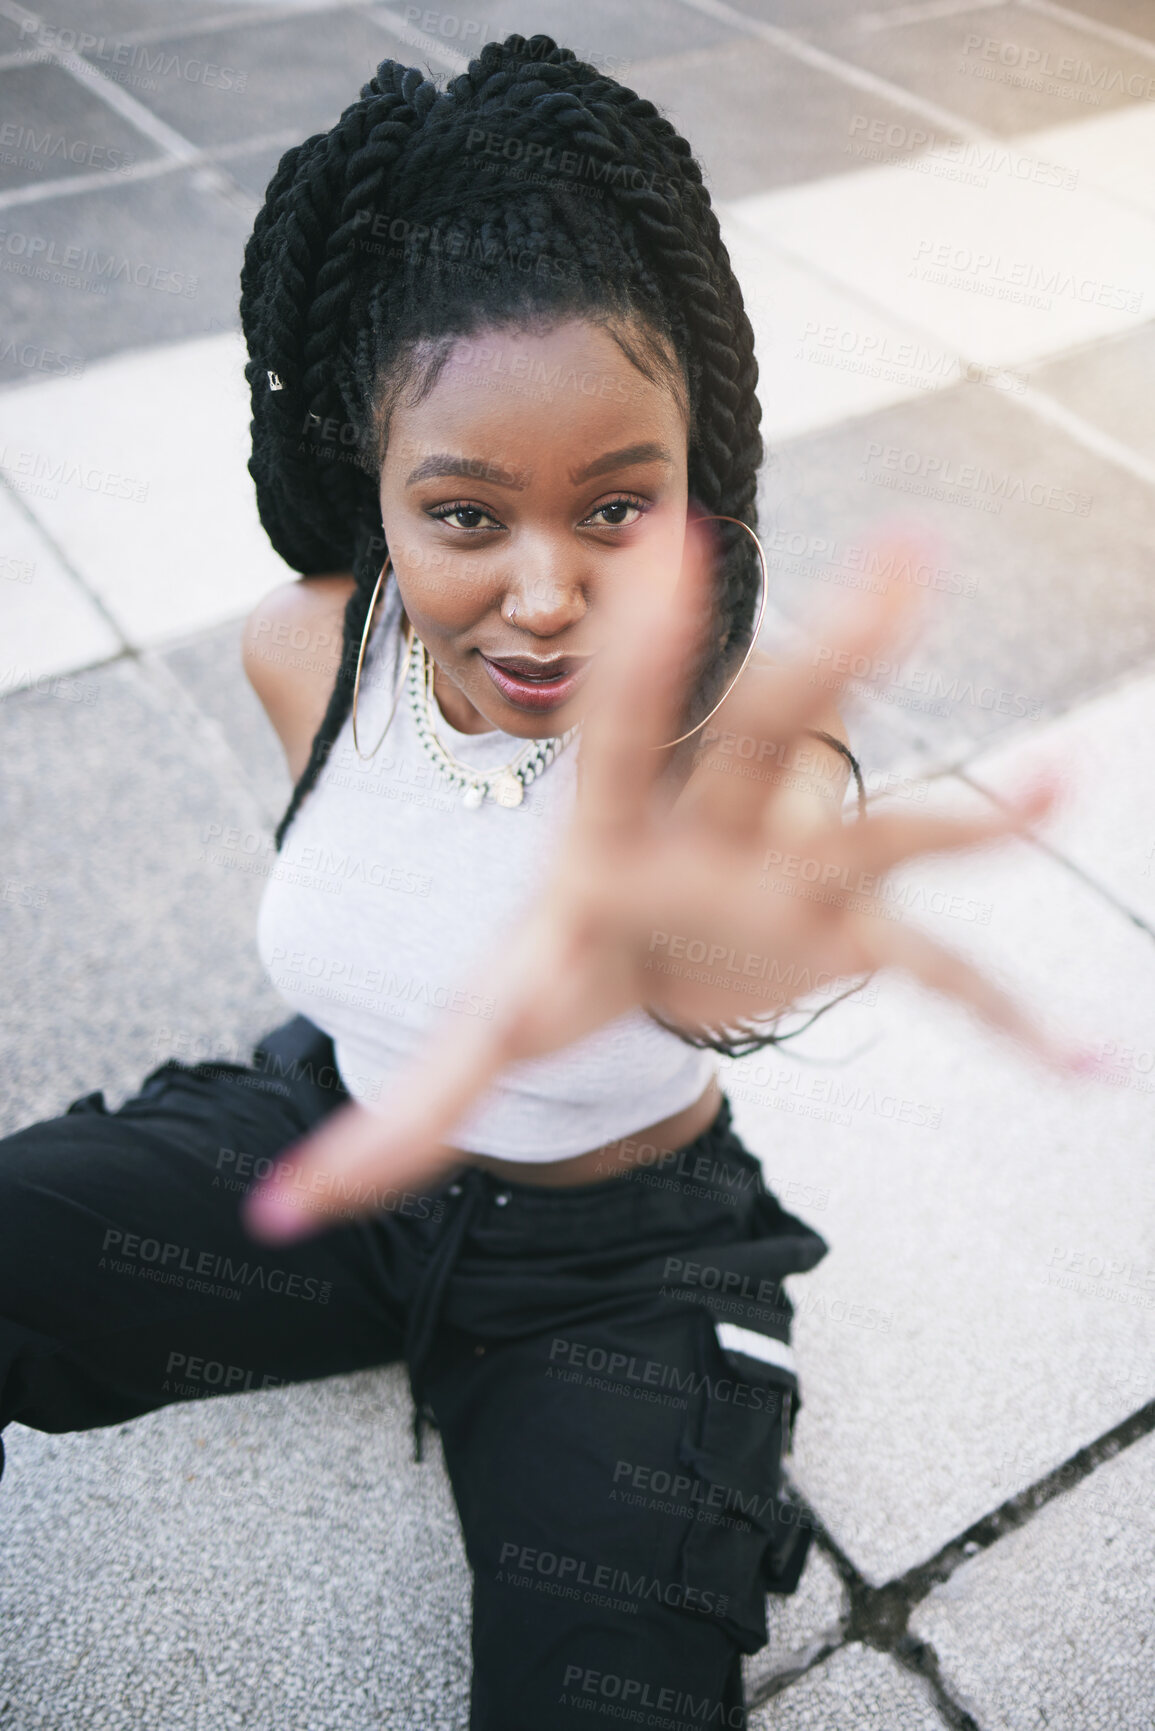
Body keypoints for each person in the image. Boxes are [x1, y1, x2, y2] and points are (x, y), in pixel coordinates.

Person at [0, 35, 1083, 1730]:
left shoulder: (728, 759)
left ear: (697, 489)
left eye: (617, 509)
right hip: (341, 1149)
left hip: (611, 1268)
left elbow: (738, 931)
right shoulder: (307, 650)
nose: (546, 591)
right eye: (467, 515)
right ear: (377, 497)